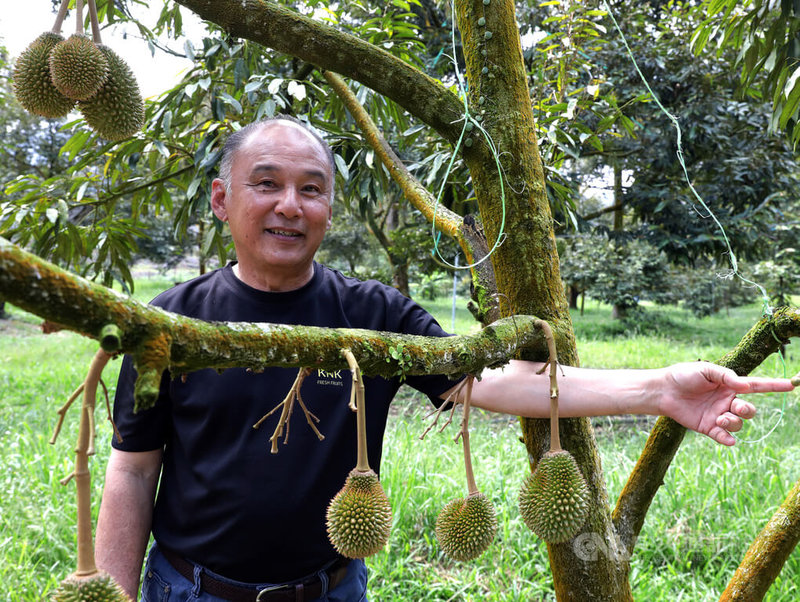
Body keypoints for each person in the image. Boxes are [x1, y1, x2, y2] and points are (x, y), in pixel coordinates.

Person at [95, 116, 795, 601]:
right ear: (222, 199)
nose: (290, 205)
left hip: (331, 590)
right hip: (190, 590)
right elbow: (132, 470)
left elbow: (497, 380)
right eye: (267, 183)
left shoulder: (372, 314)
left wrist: (660, 389)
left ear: (330, 208)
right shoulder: (167, 324)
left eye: (311, 189)